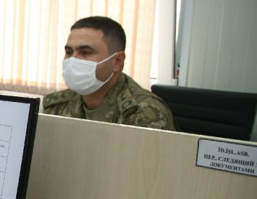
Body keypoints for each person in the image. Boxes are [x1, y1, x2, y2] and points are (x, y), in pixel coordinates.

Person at [43, 16, 176, 130]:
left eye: (85, 52)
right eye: (69, 52)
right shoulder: (57, 105)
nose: (73, 60)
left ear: (117, 61)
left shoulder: (143, 112)